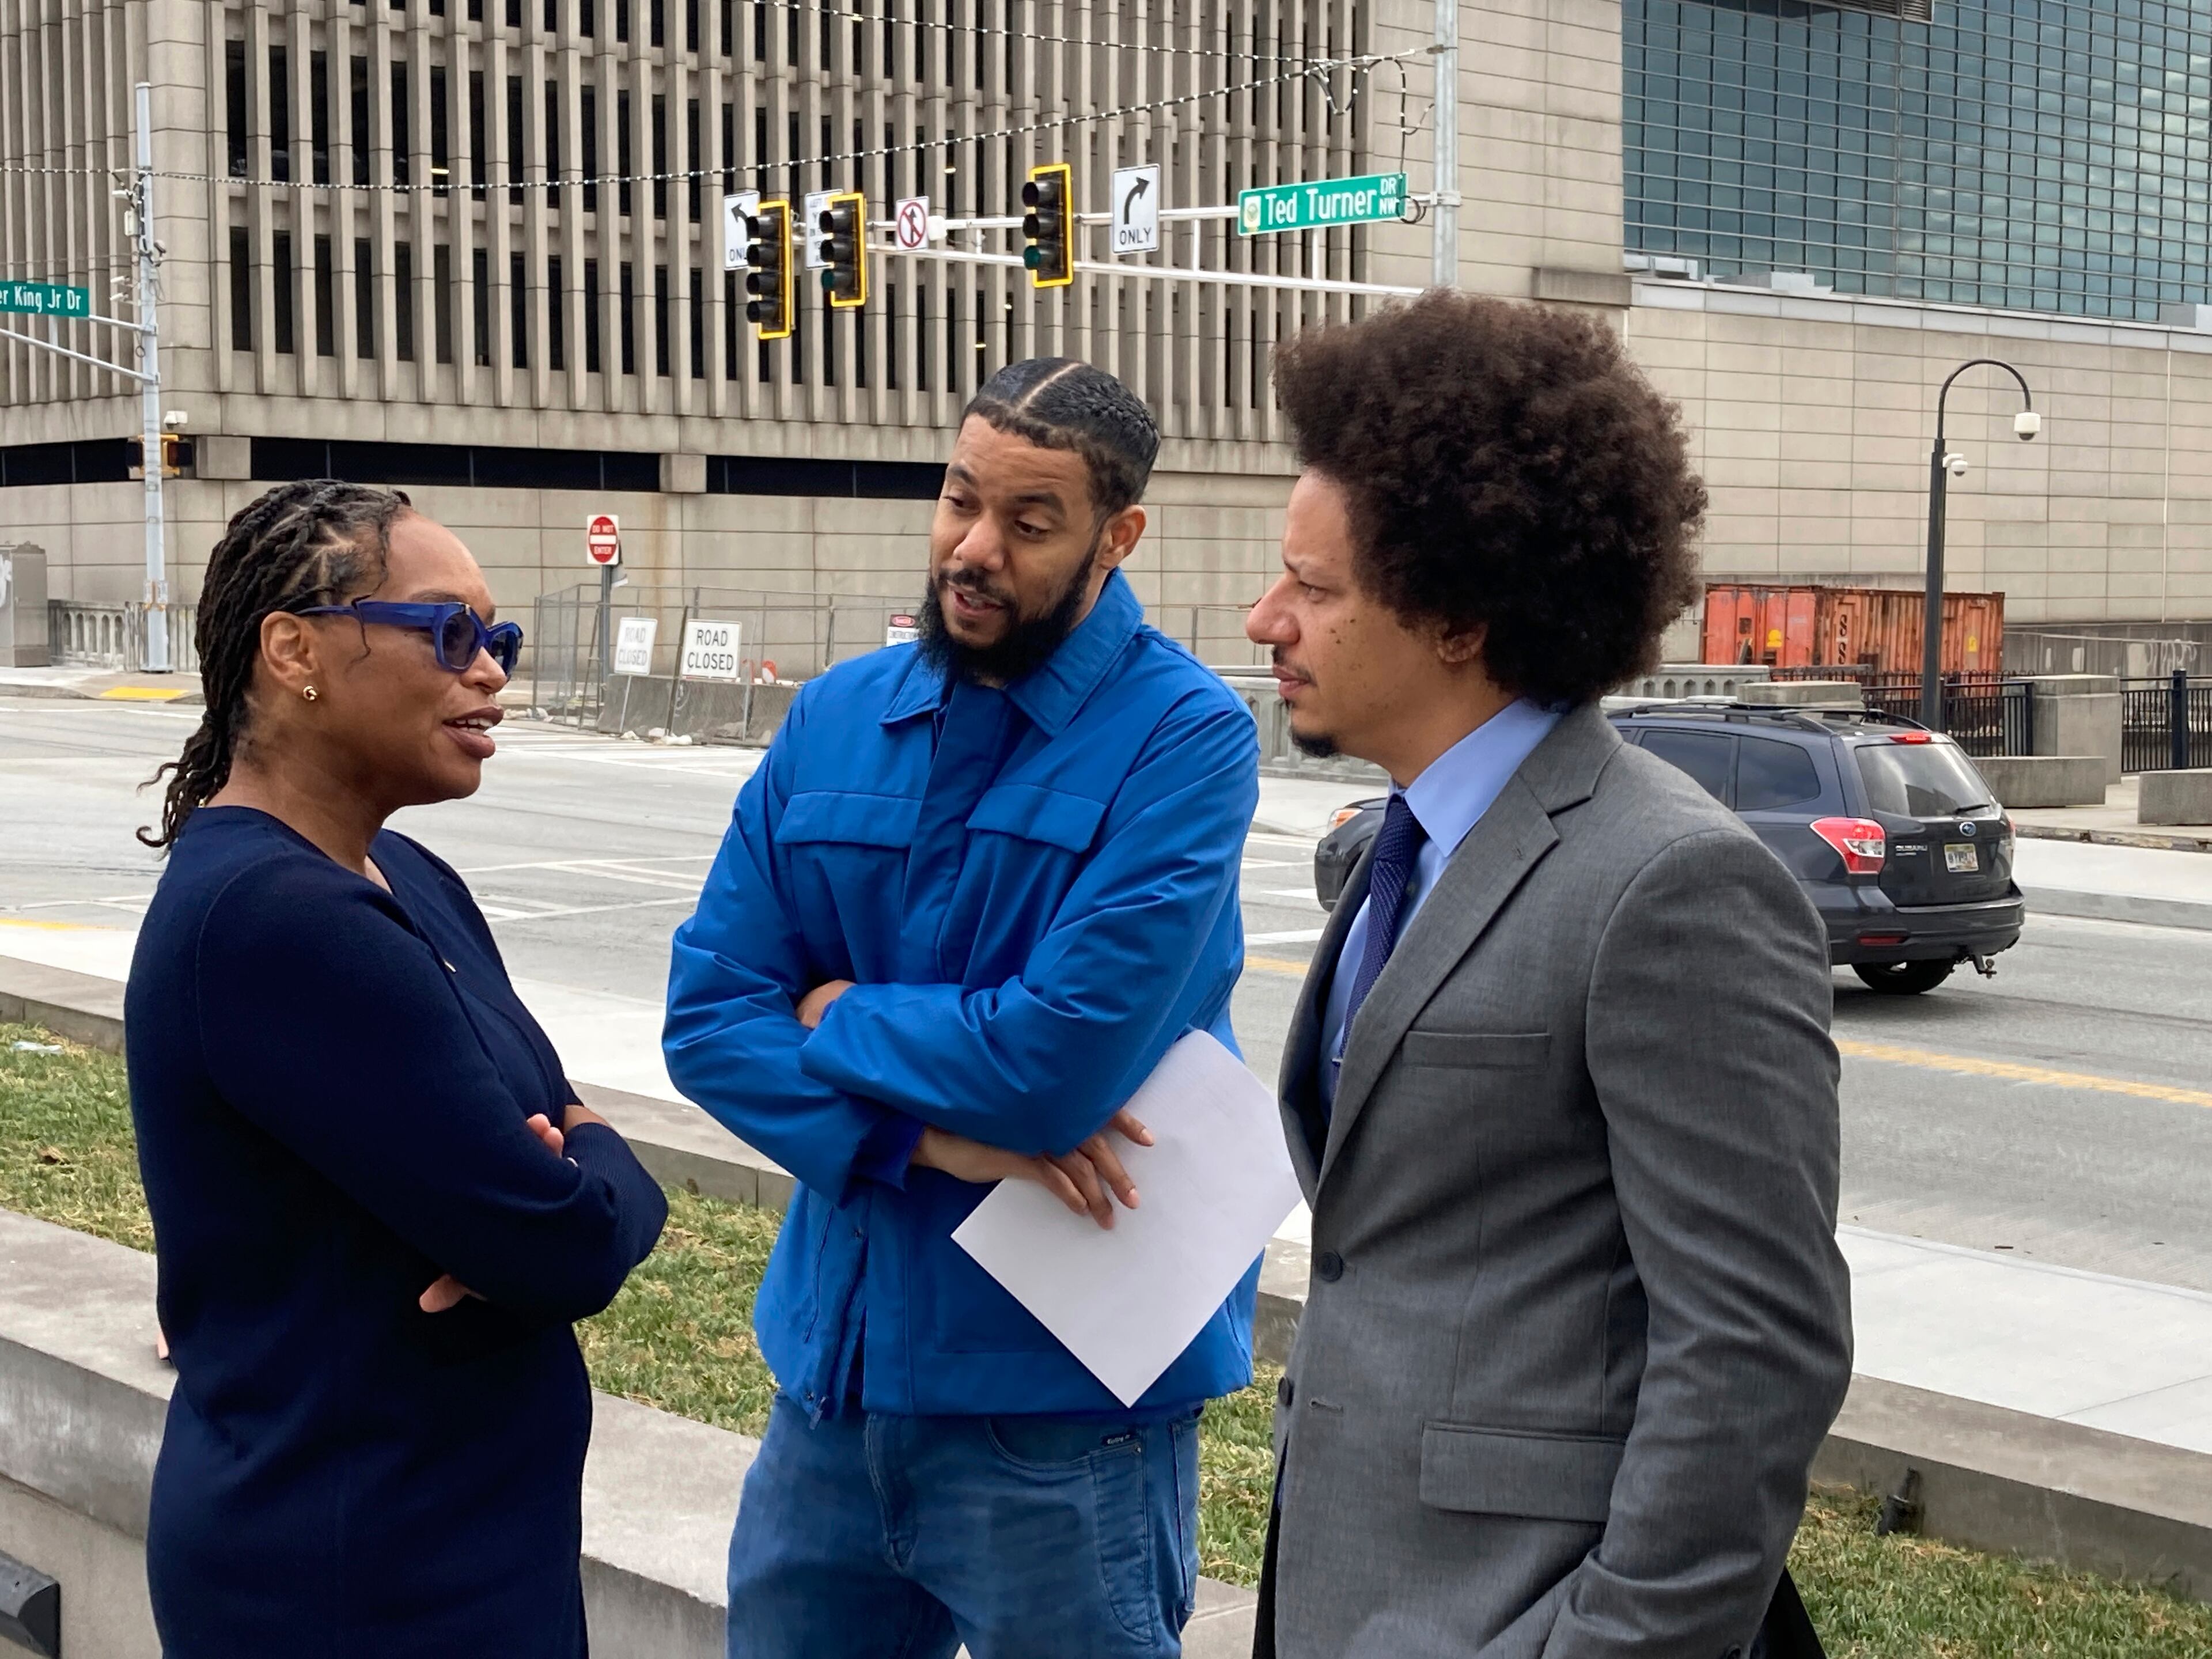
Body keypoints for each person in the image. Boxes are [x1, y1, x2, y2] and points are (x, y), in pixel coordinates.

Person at [1243, 293, 1853, 1657]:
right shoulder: (1400, 849)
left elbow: (1753, 1353)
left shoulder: (1674, 886)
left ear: (1458, 616)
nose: (1264, 616)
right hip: (1351, 1591)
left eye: (1316, 588)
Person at [665, 358, 1261, 1658]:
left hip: (1064, 1413)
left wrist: (836, 1016)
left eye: (1031, 523)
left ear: (1120, 537)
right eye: (958, 502)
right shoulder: (835, 718)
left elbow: (1053, 1070)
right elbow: (709, 1022)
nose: (975, 550)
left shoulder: (1188, 740)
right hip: (832, 1390)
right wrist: (918, 1139)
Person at [126, 480, 668, 1657]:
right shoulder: (272, 920)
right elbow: (565, 1239)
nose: (491, 673)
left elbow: (550, 1174)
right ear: (294, 651)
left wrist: (567, 1162)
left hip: (456, 1532)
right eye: (449, 633)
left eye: (500, 639)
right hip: (351, 1571)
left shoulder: (406, 877)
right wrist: (586, 1163)